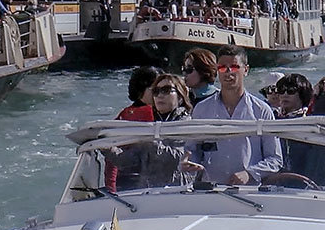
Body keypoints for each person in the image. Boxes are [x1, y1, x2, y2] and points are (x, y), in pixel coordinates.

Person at [184, 44, 282, 185]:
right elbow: (193, 149)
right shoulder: (201, 110)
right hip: (210, 190)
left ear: (246, 70)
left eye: (234, 67)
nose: (228, 72)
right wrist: (189, 162)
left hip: (249, 193)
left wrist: (250, 173)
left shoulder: (262, 111)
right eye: (223, 67)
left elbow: (275, 158)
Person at [104, 65, 160, 191]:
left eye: (165, 90)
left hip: (127, 181)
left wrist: (111, 186)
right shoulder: (145, 113)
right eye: (156, 90)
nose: (161, 94)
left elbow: (111, 158)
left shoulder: (124, 114)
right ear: (142, 89)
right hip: (144, 181)